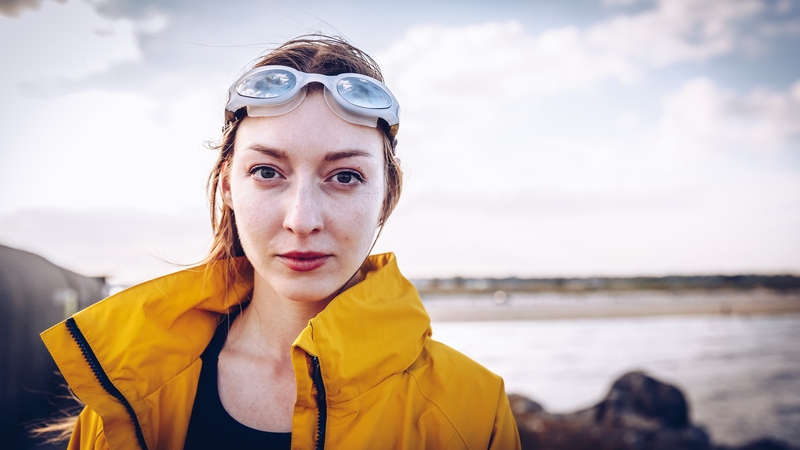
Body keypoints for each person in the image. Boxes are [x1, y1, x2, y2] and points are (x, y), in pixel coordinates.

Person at [40, 35, 521, 449]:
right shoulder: (128, 389)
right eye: (267, 172)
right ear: (228, 186)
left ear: (387, 197)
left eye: (346, 176)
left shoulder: (470, 410)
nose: (302, 219)